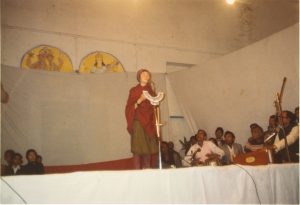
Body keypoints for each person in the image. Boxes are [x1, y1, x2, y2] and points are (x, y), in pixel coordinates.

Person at [125, 69, 158, 169]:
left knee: (147, 149)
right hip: (138, 122)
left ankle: (147, 171)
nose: (147, 76)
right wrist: (140, 100)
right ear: (139, 76)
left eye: (148, 74)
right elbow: (129, 108)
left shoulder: (151, 91)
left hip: (149, 123)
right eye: (144, 74)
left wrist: (155, 102)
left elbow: (154, 107)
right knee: (138, 149)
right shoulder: (134, 90)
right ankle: (137, 174)